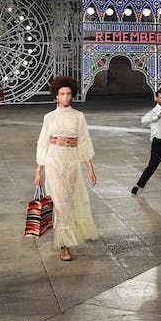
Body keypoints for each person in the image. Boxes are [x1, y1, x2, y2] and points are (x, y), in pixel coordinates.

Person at [34, 76, 98, 261]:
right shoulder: (49, 117)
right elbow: (43, 143)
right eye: (62, 94)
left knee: (71, 199)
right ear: (56, 96)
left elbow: (84, 142)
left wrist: (90, 168)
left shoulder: (79, 117)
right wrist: (39, 171)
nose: (66, 97)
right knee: (60, 202)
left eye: (68, 93)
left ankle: (68, 236)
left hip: (72, 161)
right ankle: (64, 245)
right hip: (54, 159)